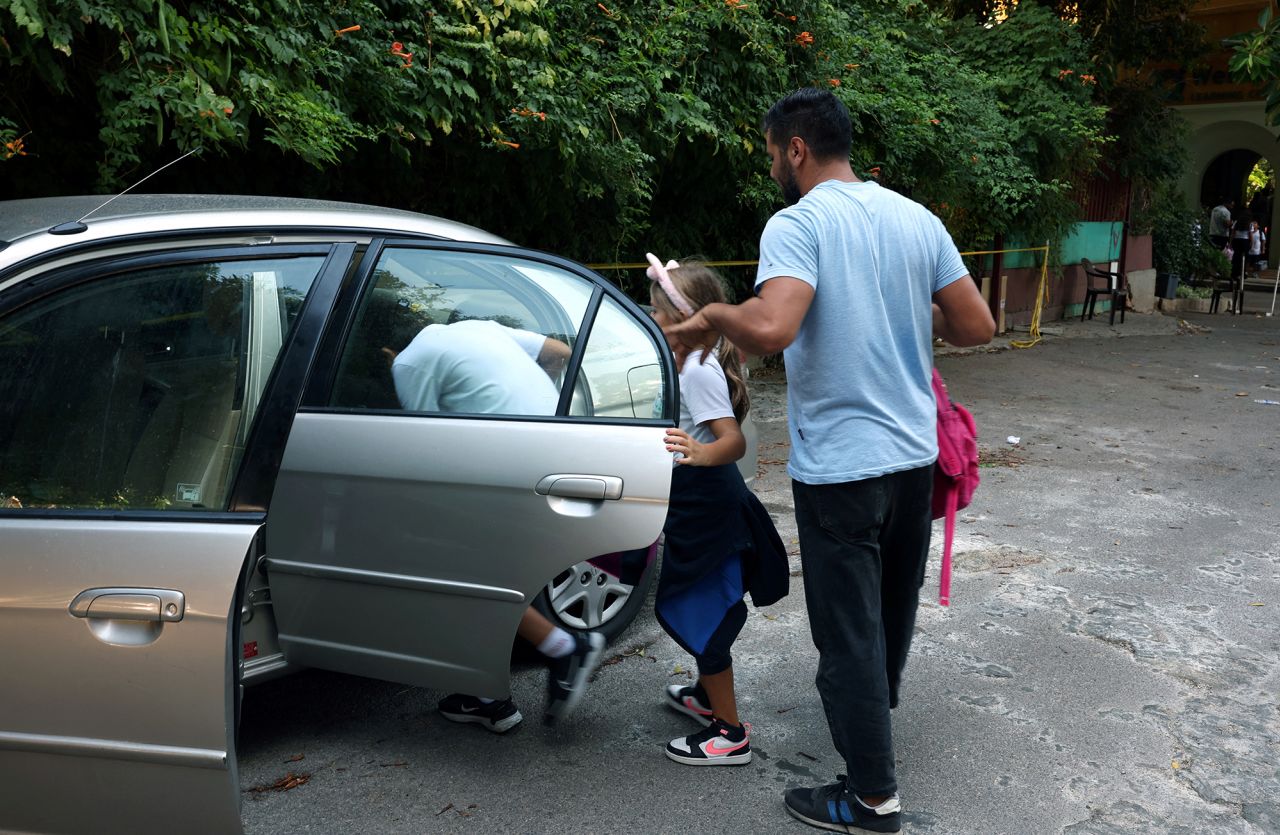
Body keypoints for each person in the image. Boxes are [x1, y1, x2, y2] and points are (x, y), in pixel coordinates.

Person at [663, 88, 994, 832]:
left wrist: (714, 315)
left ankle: (873, 796)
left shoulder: (798, 222)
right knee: (889, 612)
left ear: (797, 149)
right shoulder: (916, 218)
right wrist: (902, 306)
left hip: (842, 468)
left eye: (771, 152)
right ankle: (874, 718)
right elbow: (977, 324)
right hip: (913, 460)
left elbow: (771, 329)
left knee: (848, 629)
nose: (773, 165)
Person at [371, 292, 605, 730]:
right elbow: (560, 354)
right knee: (498, 572)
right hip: (552, 447)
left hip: (507, 463)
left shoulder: (407, 362)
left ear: (387, 351)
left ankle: (563, 649)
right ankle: (487, 695)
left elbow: (420, 445)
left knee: (458, 571)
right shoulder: (479, 327)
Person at [644, 254, 789, 767]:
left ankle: (730, 734)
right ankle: (708, 698)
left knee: (704, 607)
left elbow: (729, 442)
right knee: (697, 599)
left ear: (690, 318)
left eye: (659, 311)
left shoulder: (700, 371)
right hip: (696, 502)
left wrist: (701, 453)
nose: (652, 319)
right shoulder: (685, 362)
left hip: (709, 503)